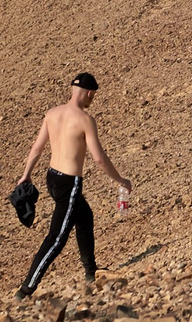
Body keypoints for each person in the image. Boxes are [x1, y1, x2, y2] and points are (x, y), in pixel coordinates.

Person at [15, 72, 132, 300]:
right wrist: (121, 181)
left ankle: (91, 272)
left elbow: (37, 148)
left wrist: (25, 175)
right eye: (93, 96)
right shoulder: (85, 120)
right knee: (57, 238)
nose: (92, 100)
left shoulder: (52, 114)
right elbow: (99, 158)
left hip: (52, 178)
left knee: (85, 217)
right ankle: (26, 289)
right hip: (70, 183)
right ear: (89, 93)